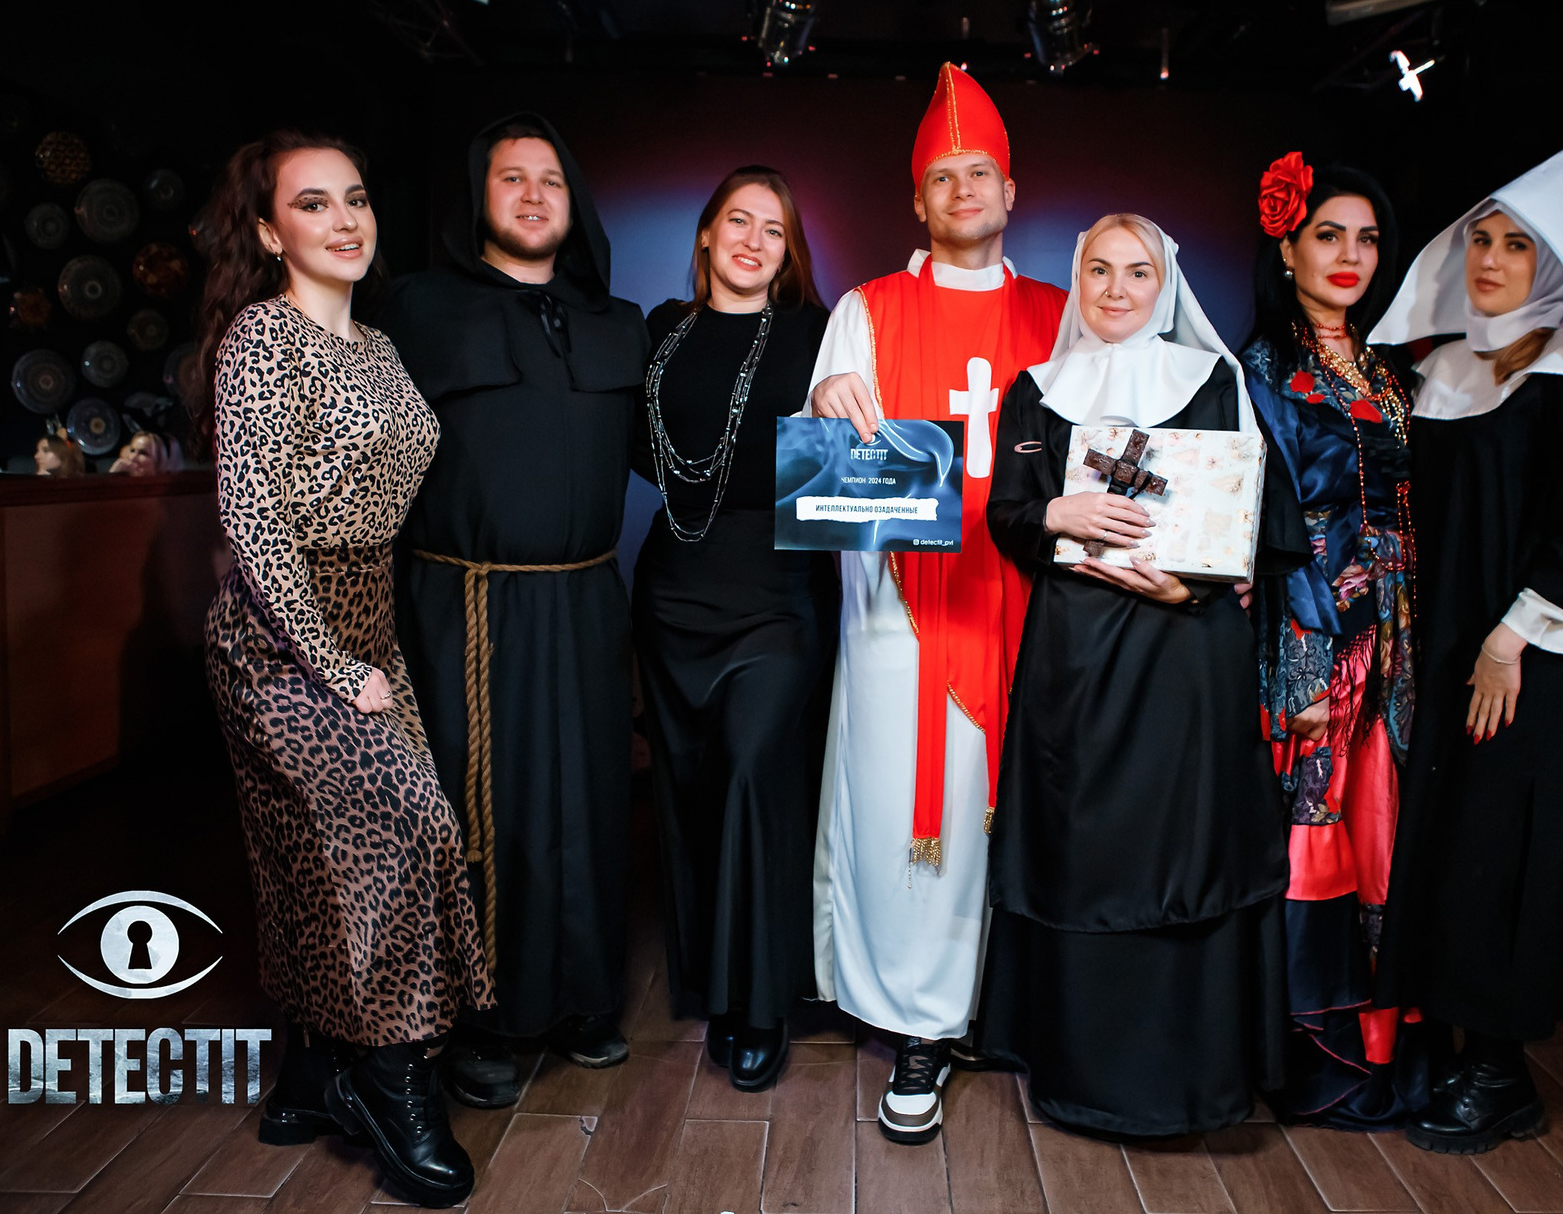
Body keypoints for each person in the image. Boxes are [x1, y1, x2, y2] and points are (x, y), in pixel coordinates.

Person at [198, 130, 493, 1207]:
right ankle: (391, 1079)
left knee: (319, 859)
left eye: (355, 199)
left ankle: (313, 1075)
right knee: (404, 826)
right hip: (280, 641)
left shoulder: (377, 346)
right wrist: (331, 660)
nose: (343, 219)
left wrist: (375, 648)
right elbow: (253, 520)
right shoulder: (262, 337)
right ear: (271, 232)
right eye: (313, 204)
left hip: (370, 625)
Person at [978, 214, 1304, 1136]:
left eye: (1137, 272)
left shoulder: (1213, 379)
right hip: (1076, 660)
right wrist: (1058, 512)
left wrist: (1190, 583)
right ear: (1077, 280)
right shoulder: (1038, 388)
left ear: (1165, 286)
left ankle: (1185, 1082)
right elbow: (1007, 517)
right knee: (1084, 846)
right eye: (1098, 270)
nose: (1116, 289)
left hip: (1185, 650)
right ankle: (1084, 1075)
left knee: (1185, 843)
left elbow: (1254, 518)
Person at [807, 62, 1066, 1145]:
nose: (964, 189)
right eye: (943, 176)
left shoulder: (1063, 312)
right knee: (914, 811)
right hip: (906, 609)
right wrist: (828, 402)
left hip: (1039, 602)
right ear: (917, 200)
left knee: (1032, 804)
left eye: (981, 172)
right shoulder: (866, 310)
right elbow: (831, 484)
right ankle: (920, 1023)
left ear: (1011, 191)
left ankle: (1010, 1009)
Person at [1368, 148, 1563, 1153]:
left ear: (1552, 265)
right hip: (1447, 650)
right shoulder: (1439, 372)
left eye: (1516, 244)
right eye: (1479, 239)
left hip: (1520, 660)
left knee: (1501, 846)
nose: (1489, 258)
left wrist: (1508, 640)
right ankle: (1449, 1043)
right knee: (1444, 842)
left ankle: (1501, 1070)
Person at [384, 113, 649, 1106]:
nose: (533, 195)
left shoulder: (618, 322)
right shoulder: (417, 310)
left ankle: (584, 1000)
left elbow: (684, 452)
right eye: (512, 178)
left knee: (590, 798)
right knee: (481, 812)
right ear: (478, 197)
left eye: (551, 179)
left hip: (587, 597)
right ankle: (480, 1018)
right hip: (468, 599)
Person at [633, 166, 837, 1092]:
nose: (755, 241)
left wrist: (843, 396)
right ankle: (710, 977)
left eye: (774, 229)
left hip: (777, 588)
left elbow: (868, 447)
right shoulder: (660, 331)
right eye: (739, 221)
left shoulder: (819, 334)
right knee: (691, 786)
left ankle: (759, 1002)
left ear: (789, 252)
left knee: (757, 772)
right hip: (674, 587)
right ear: (708, 234)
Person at [1238, 155, 1429, 1129]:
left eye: (1367, 238)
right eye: (1328, 234)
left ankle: (1388, 1052)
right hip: (1315, 629)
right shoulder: (1262, 372)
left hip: (1400, 635)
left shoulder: (1392, 371)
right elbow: (1263, 528)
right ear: (1288, 248)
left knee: (1389, 833)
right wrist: (1305, 664)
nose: (1350, 254)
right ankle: (1314, 1058)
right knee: (1317, 829)